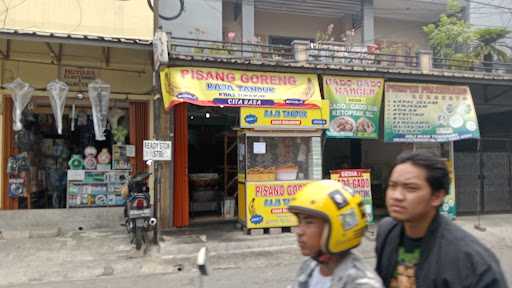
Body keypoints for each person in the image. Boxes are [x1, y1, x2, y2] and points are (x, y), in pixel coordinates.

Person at [376, 150, 508, 288]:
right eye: (392, 186)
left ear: (437, 197)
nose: (397, 196)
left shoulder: (473, 263)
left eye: (411, 188)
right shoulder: (387, 232)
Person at [288, 180, 384, 288]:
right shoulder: (309, 266)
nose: (299, 232)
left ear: (338, 227)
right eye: (299, 222)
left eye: (309, 222)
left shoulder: (361, 283)